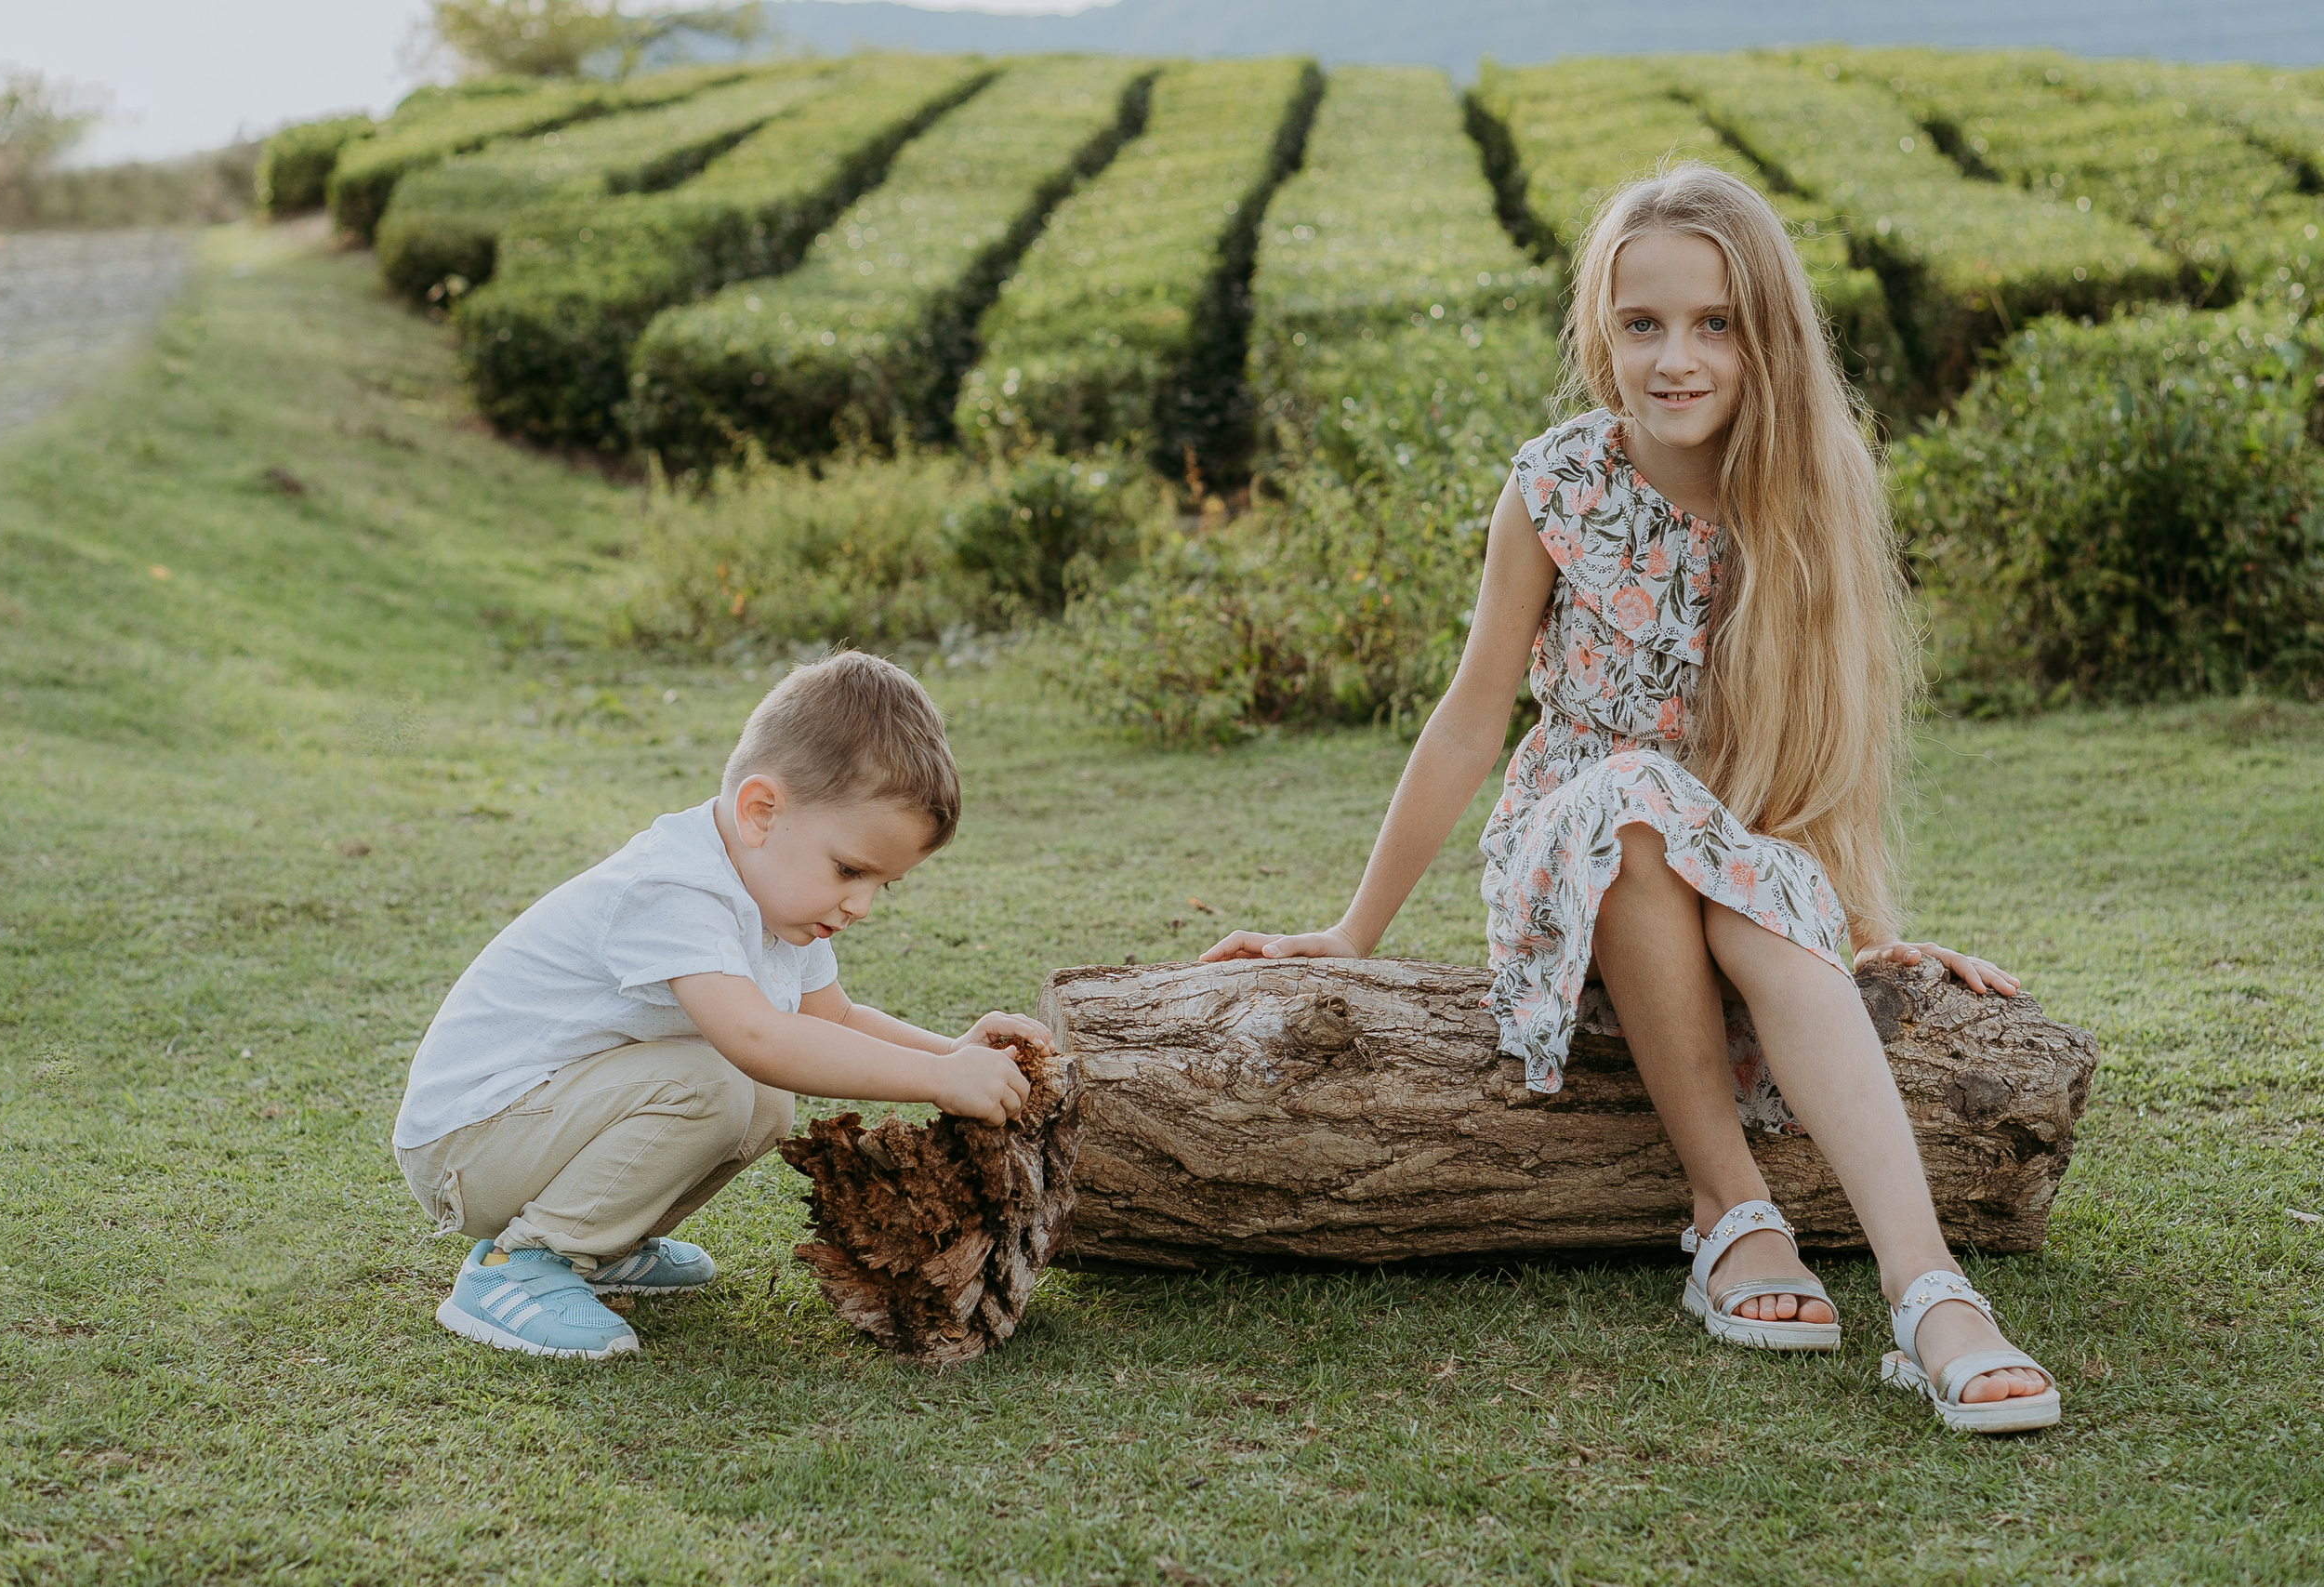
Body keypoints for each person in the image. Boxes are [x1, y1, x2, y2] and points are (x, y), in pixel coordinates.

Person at [1204, 164, 2060, 1434]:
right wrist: (1350, 933)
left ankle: (1930, 1289)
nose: (1676, 357)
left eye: (1714, 323)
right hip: (1576, 850)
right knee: (1632, 798)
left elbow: (1831, 741)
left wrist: (1863, 926)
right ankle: (1732, 1207)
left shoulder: (1810, 498)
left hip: (1733, 863)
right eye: (1641, 322)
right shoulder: (1556, 487)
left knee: (1721, 861)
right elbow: (1471, 715)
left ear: (1765, 333)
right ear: (1598, 332)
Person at [392, 651, 1045, 1360]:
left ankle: (603, 1243)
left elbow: (835, 1019)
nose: (859, 904)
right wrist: (939, 1082)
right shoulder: (677, 885)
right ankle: (518, 1267)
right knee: (722, 1079)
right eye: (850, 869)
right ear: (762, 811)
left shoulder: (778, 902)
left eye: (880, 885)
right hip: (467, 1142)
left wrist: (951, 1052)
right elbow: (758, 1038)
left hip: (533, 1128)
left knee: (762, 1098)